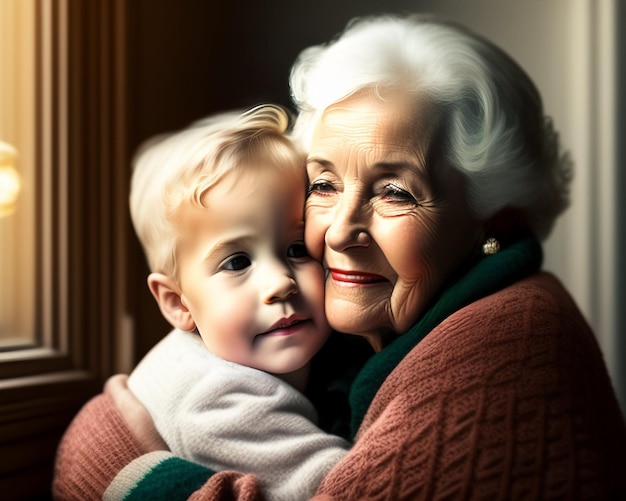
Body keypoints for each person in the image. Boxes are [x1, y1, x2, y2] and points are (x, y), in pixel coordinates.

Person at [53, 13, 626, 500]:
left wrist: (125, 467)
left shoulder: (506, 340)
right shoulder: (342, 332)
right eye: (323, 185)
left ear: (493, 218)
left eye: (394, 192)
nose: (339, 232)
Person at [99, 104, 355, 501]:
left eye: (296, 248)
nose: (281, 283)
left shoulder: (251, 348)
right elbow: (347, 485)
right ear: (177, 304)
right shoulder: (219, 399)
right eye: (237, 262)